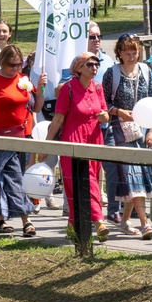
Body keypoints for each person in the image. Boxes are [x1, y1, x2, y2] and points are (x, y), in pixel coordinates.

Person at [100, 34, 152, 239]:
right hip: (118, 129)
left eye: (134, 53)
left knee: (136, 176)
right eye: (126, 53)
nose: (131, 57)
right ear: (119, 53)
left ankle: (124, 221)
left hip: (141, 130)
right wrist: (120, 112)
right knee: (133, 173)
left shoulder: (146, 71)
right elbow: (103, 103)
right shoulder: (111, 74)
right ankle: (145, 223)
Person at [0, 44, 40, 237]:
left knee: (8, 179)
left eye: (19, 64)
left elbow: (35, 108)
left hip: (23, 137)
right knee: (14, 178)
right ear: (3, 62)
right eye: (12, 65)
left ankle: (1, 218)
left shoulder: (24, 80)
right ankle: (26, 220)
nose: (16, 68)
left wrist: (41, 91)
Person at [50, 49, 110, 241]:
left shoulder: (98, 88)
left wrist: (104, 117)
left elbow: (105, 114)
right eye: (89, 64)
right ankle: (99, 221)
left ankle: (72, 225)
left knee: (91, 181)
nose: (94, 68)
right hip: (72, 140)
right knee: (80, 183)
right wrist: (45, 146)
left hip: (94, 139)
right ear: (78, 68)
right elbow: (58, 120)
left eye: (96, 64)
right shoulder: (68, 89)